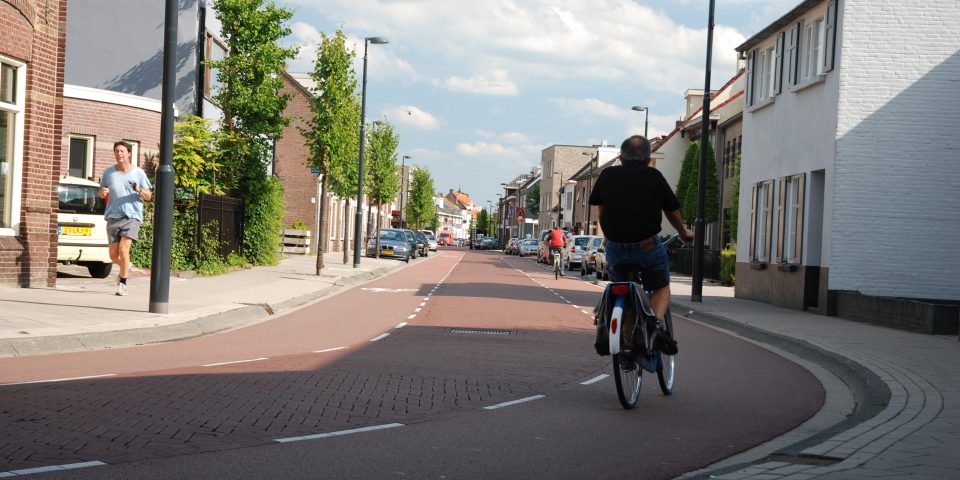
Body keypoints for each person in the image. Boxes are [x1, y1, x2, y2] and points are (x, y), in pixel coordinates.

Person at [588, 135, 694, 349]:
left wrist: (612, 236)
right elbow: (672, 211)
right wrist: (683, 232)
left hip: (615, 247)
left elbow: (602, 211)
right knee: (662, 286)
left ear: (621, 157)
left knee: (620, 286)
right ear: (648, 159)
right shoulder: (654, 176)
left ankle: (625, 339)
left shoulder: (607, 175)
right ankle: (653, 326)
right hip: (646, 247)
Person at [98, 141, 152, 296]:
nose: (119, 154)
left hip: (132, 216)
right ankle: (125, 266)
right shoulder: (109, 173)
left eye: (122, 151)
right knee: (113, 255)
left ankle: (122, 284)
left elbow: (149, 196)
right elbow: (100, 192)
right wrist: (102, 193)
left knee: (124, 249)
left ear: (128, 153)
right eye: (116, 151)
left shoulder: (138, 173)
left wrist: (138, 189)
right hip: (113, 216)